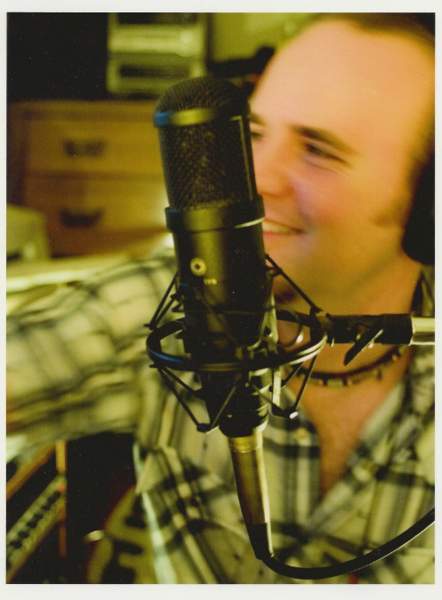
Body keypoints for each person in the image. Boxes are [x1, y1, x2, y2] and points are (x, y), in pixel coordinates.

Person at [6, 13, 435, 584]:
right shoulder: (161, 307)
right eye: (253, 134)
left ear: (427, 209)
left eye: (318, 151)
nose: (255, 177)